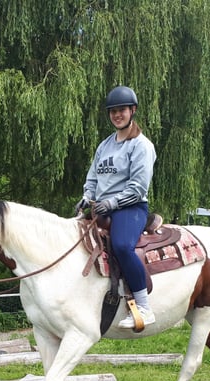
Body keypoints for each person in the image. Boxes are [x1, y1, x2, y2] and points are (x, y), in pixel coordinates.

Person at [75, 85, 157, 328]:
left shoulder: (141, 146)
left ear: (133, 111)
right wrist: (86, 196)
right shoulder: (105, 145)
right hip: (100, 207)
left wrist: (111, 202)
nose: (117, 115)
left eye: (122, 110)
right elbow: (92, 178)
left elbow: (138, 187)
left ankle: (143, 306)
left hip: (129, 208)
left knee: (122, 245)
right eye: (113, 111)